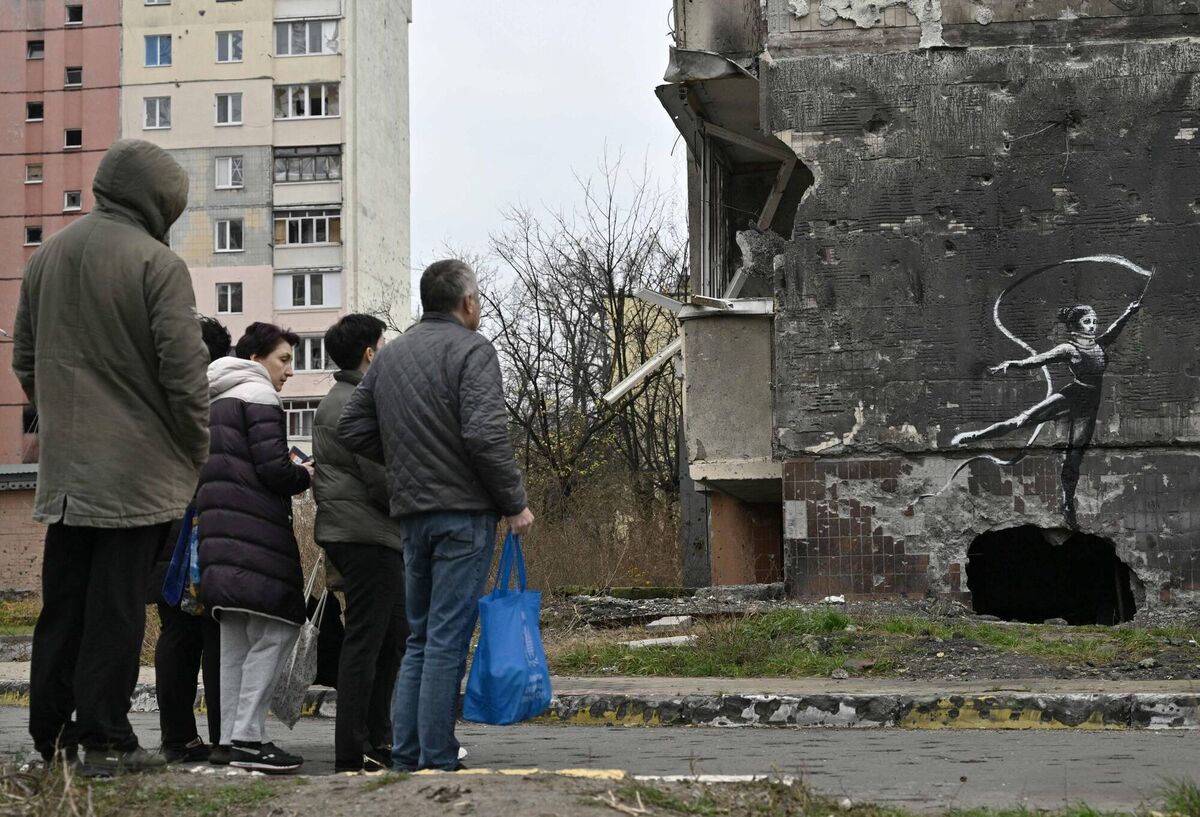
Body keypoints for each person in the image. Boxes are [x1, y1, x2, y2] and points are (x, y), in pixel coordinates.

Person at [12, 139, 209, 774]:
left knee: (63, 605)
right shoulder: (158, 264)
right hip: (135, 474)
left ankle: (53, 734)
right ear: (160, 202)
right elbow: (184, 373)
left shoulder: (48, 256)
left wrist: (64, 422)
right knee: (117, 610)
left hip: (67, 472)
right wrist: (192, 448)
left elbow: (23, 359)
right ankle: (104, 737)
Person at [338, 259, 535, 773]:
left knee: (421, 640)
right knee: (446, 638)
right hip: (463, 515)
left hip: (411, 516)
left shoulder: (390, 355)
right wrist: (514, 502)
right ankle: (438, 761)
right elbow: (485, 436)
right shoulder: (474, 350)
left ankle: (407, 759)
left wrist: (409, 460)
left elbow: (352, 429)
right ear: (467, 302)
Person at [196, 322, 314, 774]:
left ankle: (228, 740)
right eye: (284, 359)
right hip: (257, 532)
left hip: (219, 534)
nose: (289, 371)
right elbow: (273, 470)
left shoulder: (213, 396)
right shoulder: (258, 393)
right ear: (256, 358)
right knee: (281, 626)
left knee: (236, 643)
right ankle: (248, 735)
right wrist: (306, 474)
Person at [951, 298, 1142, 527]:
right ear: (1075, 326)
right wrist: (1012, 364)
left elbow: (1115, 329)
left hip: (1088, 408)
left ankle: (1068, 505)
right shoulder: (1068, 349)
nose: (1092, 326)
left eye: (1094, 321)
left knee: (1073, 460)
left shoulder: (1099, 345)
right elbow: (1038, 360)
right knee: (1021, 421)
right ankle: (973, 437)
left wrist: (1130, 312)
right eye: (1087, 322)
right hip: (1070, 397)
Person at [313, 314, 407, 773]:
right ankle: (353, 749)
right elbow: (380, 476)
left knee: (392, 636)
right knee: (368, 642)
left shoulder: (342, 398)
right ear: (370, 353)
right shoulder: (356, 402)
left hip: (363, 532)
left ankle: (376, 737)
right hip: (366, 533)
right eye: (383, 344)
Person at [146, 316, 231, 764]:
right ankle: (223, 739)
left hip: (161, 531)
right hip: (204, 532)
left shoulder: (158, 398)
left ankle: (177, 738)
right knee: (216, 634)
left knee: (176, 636)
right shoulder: (217, 402)